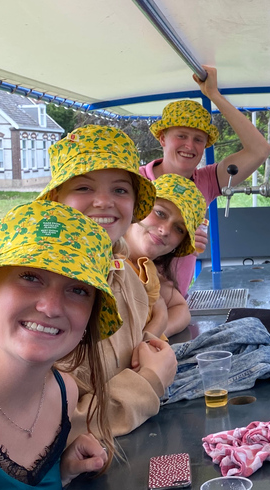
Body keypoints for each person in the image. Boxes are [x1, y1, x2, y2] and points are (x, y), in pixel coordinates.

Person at [0, 200, 120, 490]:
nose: (51, 307)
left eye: (78, 290)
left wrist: (60, 474)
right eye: (30, 276)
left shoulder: (64, 392)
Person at [39, 125, 178, 441]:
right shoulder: (45, 292)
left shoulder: (126, 273)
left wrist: (149, 347)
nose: (103, 202)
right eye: (84, 188)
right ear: (56, 199)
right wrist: (150, 381)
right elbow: (50, 430)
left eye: (120, 190)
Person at [143, 66, 270, 295]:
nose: (190, 146)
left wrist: (214, 95)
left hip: (176, 302)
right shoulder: (135, 181)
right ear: (163, 138)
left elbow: (259, 150)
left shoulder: (207, 181)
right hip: (133, 299)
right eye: (181, 136)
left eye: (198, 139)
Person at [123, 172, 207, 337]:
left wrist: (155, 334)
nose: (165, 230)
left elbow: (181, 308)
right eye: (160, 213)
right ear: (138, 209)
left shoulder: (148, 270)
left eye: (179, 228)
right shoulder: (104, 255)